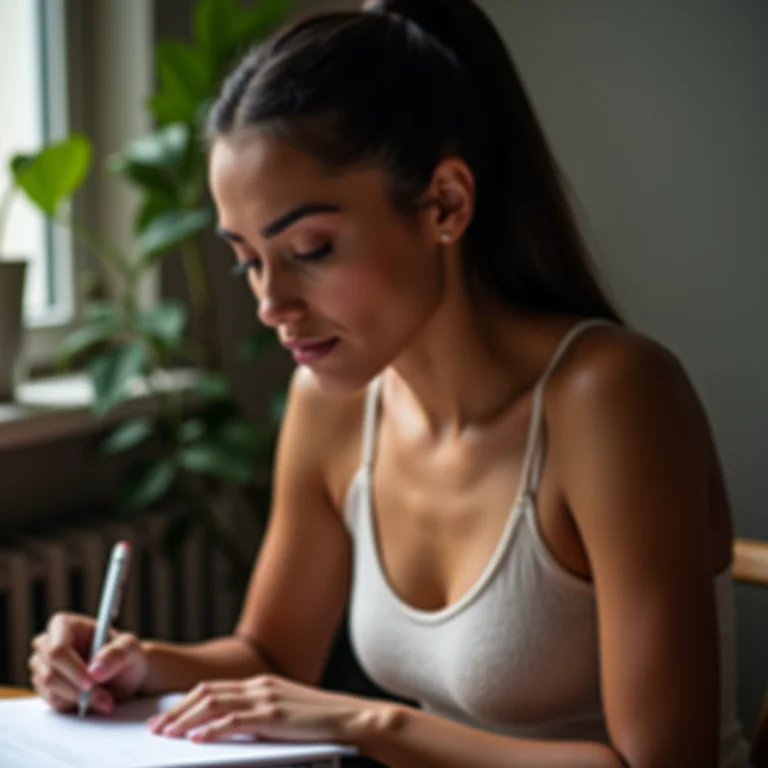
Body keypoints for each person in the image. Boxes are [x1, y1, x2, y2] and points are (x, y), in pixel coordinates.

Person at [28, 1, 752, 766]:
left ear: (445, 203)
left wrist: (367, 723)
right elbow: (271, 654)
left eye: (310, 248)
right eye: (247, 259)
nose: (271, 304)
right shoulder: (333, 406)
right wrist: (135, 664)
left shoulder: (612, 398)